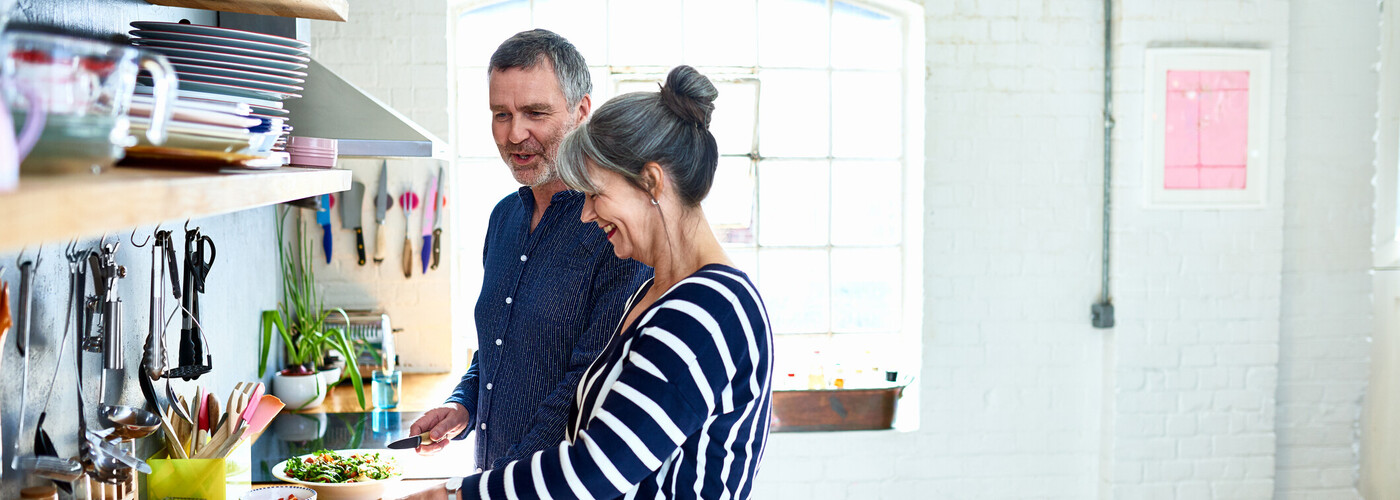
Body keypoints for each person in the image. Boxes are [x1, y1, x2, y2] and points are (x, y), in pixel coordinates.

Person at [457, 65, 773, 499]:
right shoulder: (658, 294)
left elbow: (596, 470)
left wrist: (460, 494)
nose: (586, 214)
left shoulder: (709, 310)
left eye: (596, 194)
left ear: (652, 183)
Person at [409, 29, 652, 474]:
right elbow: (496, 348)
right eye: (501, 113)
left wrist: (500, 484)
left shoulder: (615, 231)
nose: (514, 132)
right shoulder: (503, 219)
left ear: (581, 112)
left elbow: (584, 387)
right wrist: (462, 406)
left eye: (535, 112)